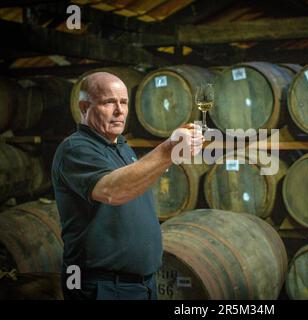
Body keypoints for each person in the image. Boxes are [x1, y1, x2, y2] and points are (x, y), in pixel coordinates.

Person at [51, 72, 203, 300]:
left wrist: (175, 152)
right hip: (101, 285)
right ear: (84, 107)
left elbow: (136, 183)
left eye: (123, 102)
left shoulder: (120, 146)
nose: (119, 111)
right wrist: (168, 149)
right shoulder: (76, 149)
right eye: (109, 102)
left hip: (140, 283)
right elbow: (112, 191)